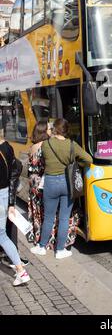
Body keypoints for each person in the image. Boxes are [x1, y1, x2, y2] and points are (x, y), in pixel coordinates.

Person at [31, 118, 92, 259]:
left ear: (55, 129)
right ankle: (60, 250)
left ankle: (41, 247)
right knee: (64, 218)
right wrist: (76, 163)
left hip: (50, 183)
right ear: (66, 130)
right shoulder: (72, 145)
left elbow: (41, 160)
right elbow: (89, 159)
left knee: (49, 217)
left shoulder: (46, 144)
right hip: (67, 183)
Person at [0, 135, 30, 286]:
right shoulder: (7, 147)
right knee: (2, 235)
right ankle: (20, 271)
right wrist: (11, 203)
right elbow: (12, 177)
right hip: (5, 195)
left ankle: (20, 271)